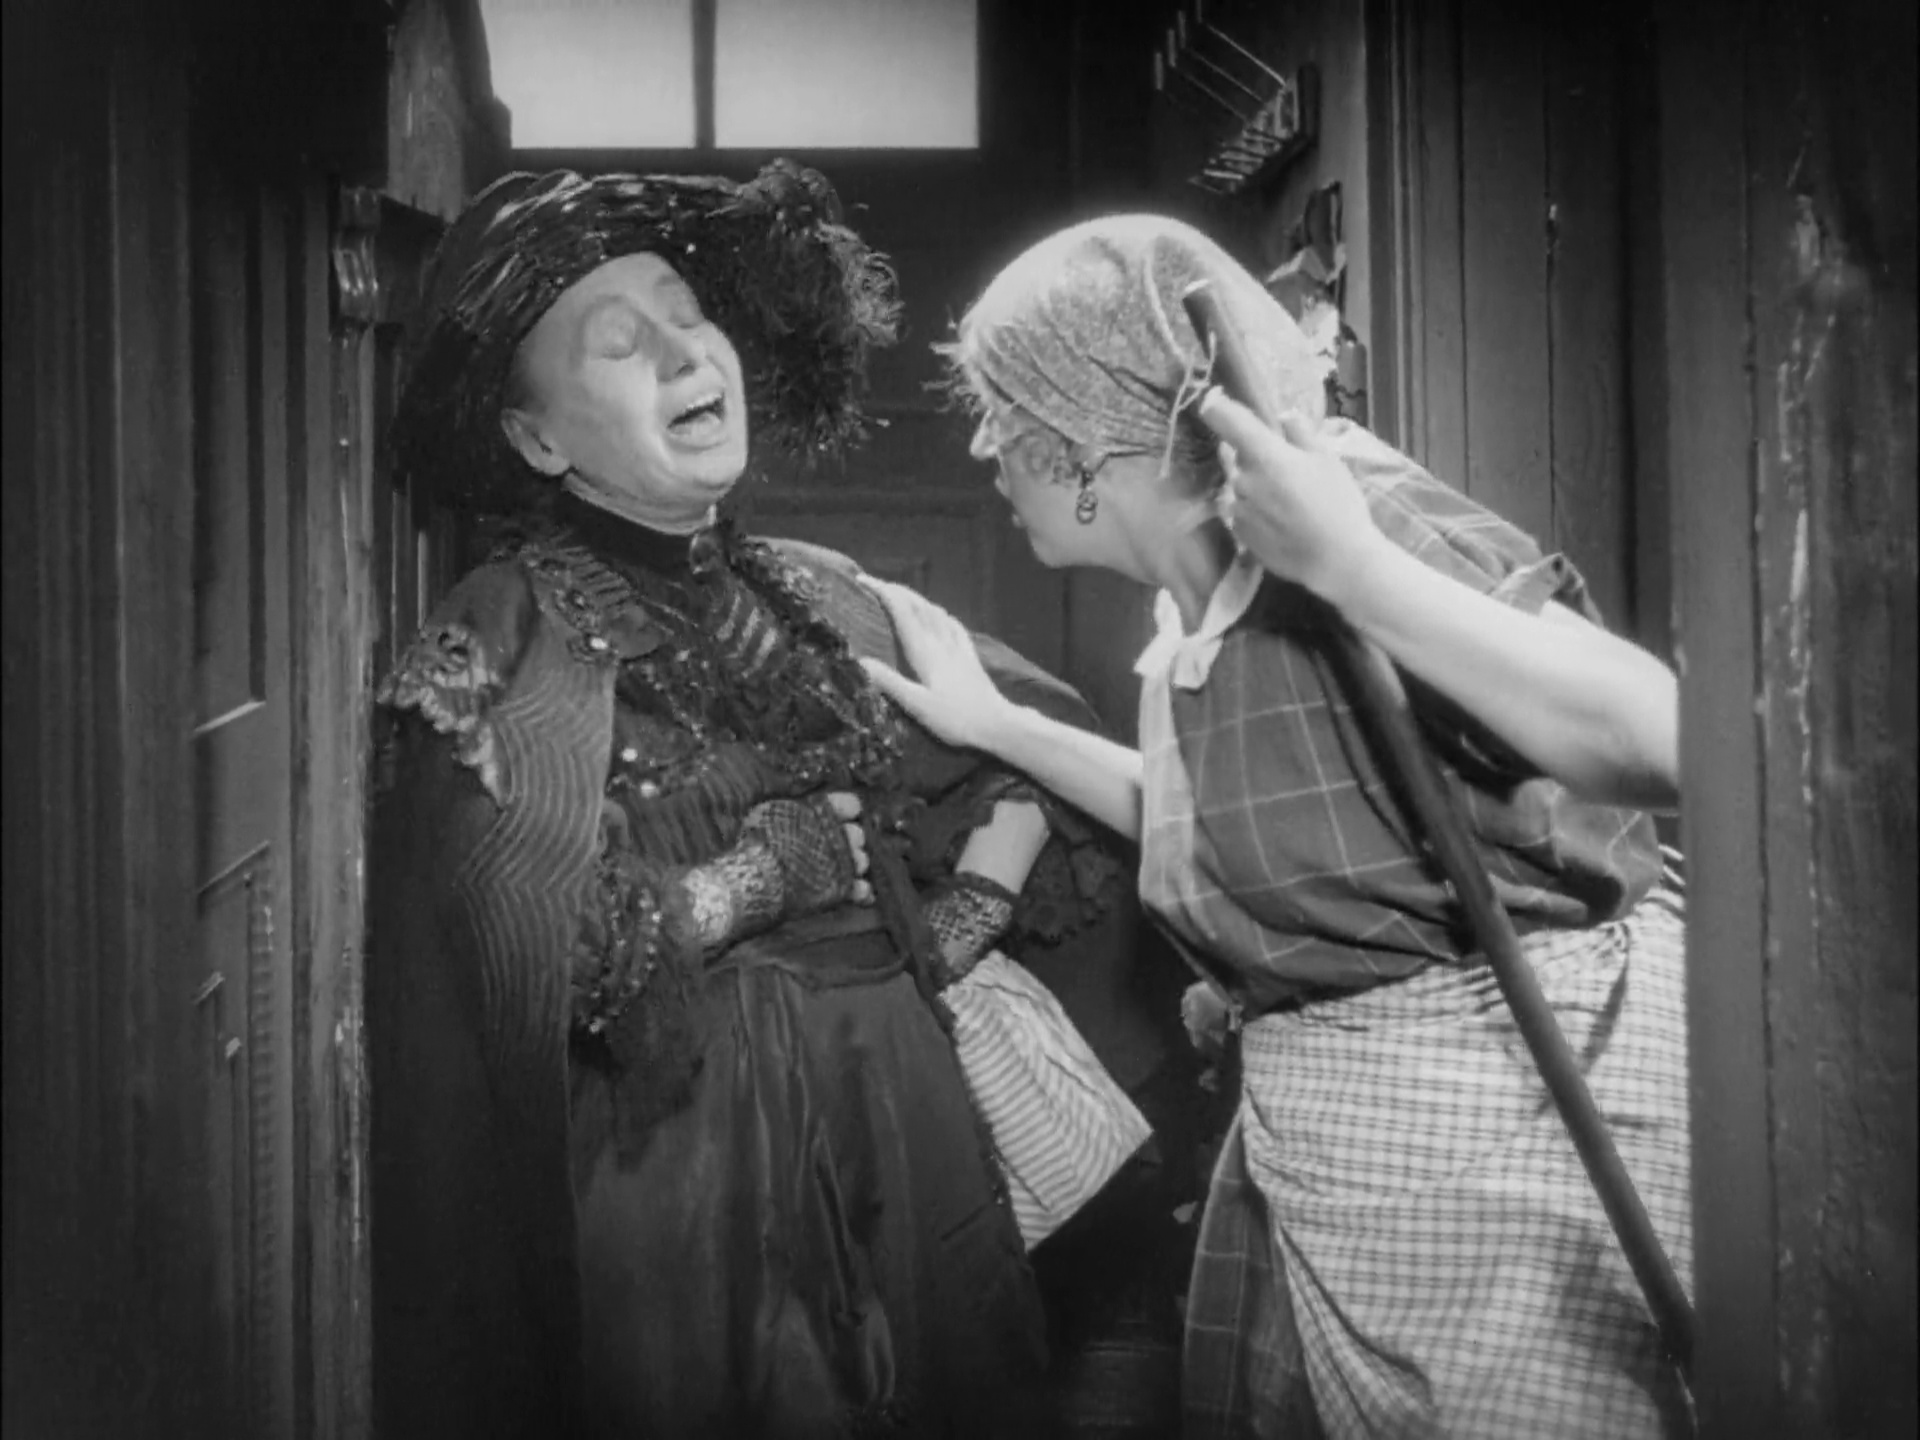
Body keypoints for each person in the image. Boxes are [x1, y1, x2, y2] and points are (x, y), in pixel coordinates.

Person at [860, 214, 1695, 1439]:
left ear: (1085, 440)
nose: (985, 447)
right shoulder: (1189, 610)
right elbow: (1223, 831)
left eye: (1002, 410)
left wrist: (1354, 564)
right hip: (1350, 1172)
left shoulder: (1337, 507)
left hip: (1505, 1166)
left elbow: (1660, 738)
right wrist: (999, 725)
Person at [366, 162, 1142, 1440]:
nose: (686, 353)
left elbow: (1032, 740)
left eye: (689, 315)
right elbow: (514, 961)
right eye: (621, 342)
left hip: (911, 1146)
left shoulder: (813, 590)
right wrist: (748, 886)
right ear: (538, 440)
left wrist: (962, 914)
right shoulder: (494, 637)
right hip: (692, 1194)